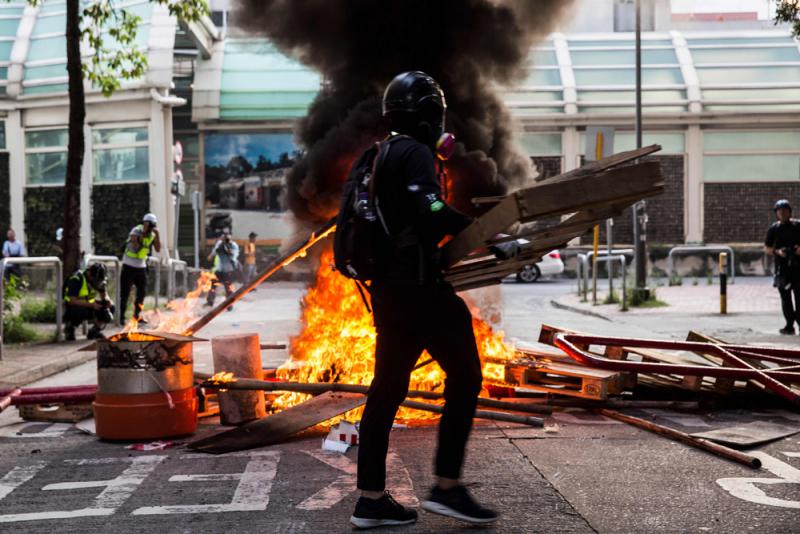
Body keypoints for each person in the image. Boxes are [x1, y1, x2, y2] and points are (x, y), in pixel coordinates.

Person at [350, 71, 497, 529]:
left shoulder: (378, 155)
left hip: (388, 293)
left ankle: (370, 500)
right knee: (468, 375)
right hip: (418, 289)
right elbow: (430, 212)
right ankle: (446, 488)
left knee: (387, 389)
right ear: (431, 115)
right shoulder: (414, 152)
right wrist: (491, 235)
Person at [764, 199, 800, 335]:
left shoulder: (798, 226)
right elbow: (766, 248)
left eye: (785, 211)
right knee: (785, 299)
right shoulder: (774, 229)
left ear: (790, 212)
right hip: (782, 270)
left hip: (798, 268)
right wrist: (777, 252)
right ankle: (789, 325)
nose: (782, 214)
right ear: (776, 213)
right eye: (779, 211)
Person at [119, 213, 161, 325]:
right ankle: (121, 317)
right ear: (144, 223)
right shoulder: (136, 231)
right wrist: (143, 233)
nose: (151, 227)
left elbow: (157, 249)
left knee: (141, 293)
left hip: (141, 267)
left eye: (153, 225)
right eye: (150, 224)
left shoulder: (153, 234)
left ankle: (136, 316)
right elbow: (137, 247)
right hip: (128, 266)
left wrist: (157, 235)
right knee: (125, 293)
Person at [63, 263, 114, 341]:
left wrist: (108, 302)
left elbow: (104, 296)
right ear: (89, 273)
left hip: (89, 304)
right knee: (80, 311)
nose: (97, 282)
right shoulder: (77, 279)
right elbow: (71, 301)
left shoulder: (99, 280)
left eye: (99, 280)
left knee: (110, 308)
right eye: (95, 280)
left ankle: (94, 331)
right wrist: (91, 305)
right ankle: (70, 328)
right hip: (72, 306)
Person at [206, 231, 239, 309]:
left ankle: (229, 304)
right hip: (219, 270)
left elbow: (233, 257)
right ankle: (210, 301)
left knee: (228, 288)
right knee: (213, 286)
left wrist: (227, 249)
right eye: (224, 237)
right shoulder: (220, 244)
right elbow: (212, 255)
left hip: (228, 271)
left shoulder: (233, 245)